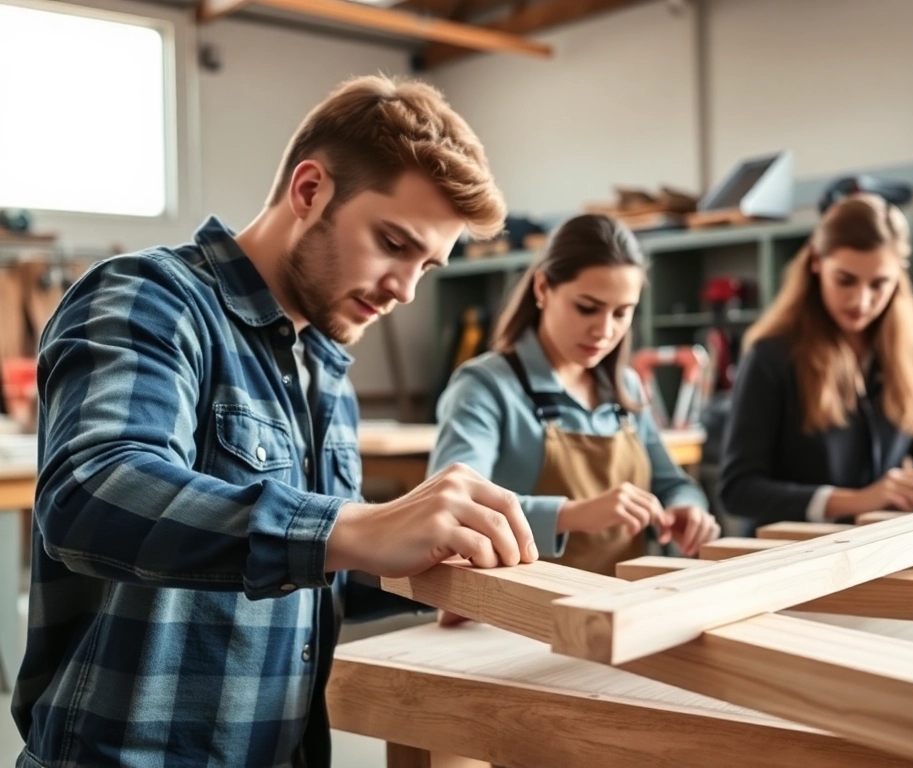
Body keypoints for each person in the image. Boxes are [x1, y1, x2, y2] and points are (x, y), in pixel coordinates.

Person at [13, 75, 540, 768]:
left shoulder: (325, 367)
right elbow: (93, 494)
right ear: (310, 190)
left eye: (428, 266)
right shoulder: (151, 297)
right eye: (392, 242)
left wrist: (433, 571)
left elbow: (309, 569)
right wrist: (355, 528)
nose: (405, 290)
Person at [428, 213, 720, 579]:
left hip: (622, 609)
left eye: (621, 313)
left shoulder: (625, 387)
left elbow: (673, 483)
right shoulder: (485, 386)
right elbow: (454, 506)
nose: (604, 330)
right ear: (542, 289)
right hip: (522, 616)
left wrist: (687, 507)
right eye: (587, 308)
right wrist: (574, 514)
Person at [717, 193, 913, 530]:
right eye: (845, 280)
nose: (861, 301)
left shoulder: (911, 353)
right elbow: (738, 490)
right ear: (816, 263)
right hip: (790, 557)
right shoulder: (771, 356)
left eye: (880, 284)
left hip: (875, 552)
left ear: (899, 276)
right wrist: (860, 500)